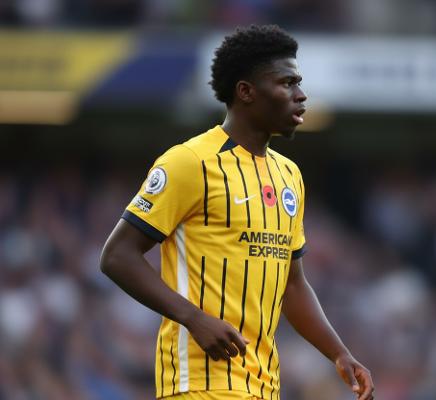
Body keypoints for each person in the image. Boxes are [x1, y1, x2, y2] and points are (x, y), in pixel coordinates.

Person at [100, 24, 374, 400]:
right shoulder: (190, 162)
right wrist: (193, 318)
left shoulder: (289, 175)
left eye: (299, 83)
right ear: (246, 92)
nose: (301, 95)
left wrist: (339, 353)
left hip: (264, 385)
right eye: (287, 83)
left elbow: (292, 284)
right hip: (199, 382)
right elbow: (117, 256)